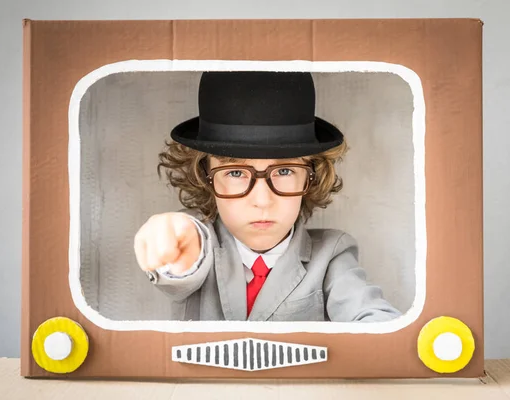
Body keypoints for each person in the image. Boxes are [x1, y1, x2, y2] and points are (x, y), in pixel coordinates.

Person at [133, 71, 401, 322]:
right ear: (205, 176)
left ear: (312, 176)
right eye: (235, 172)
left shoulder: (331, 254)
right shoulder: (196, 241)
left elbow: (378, 322)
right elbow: (187, 255)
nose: (262, 200)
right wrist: (173, 249)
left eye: (284, 170)